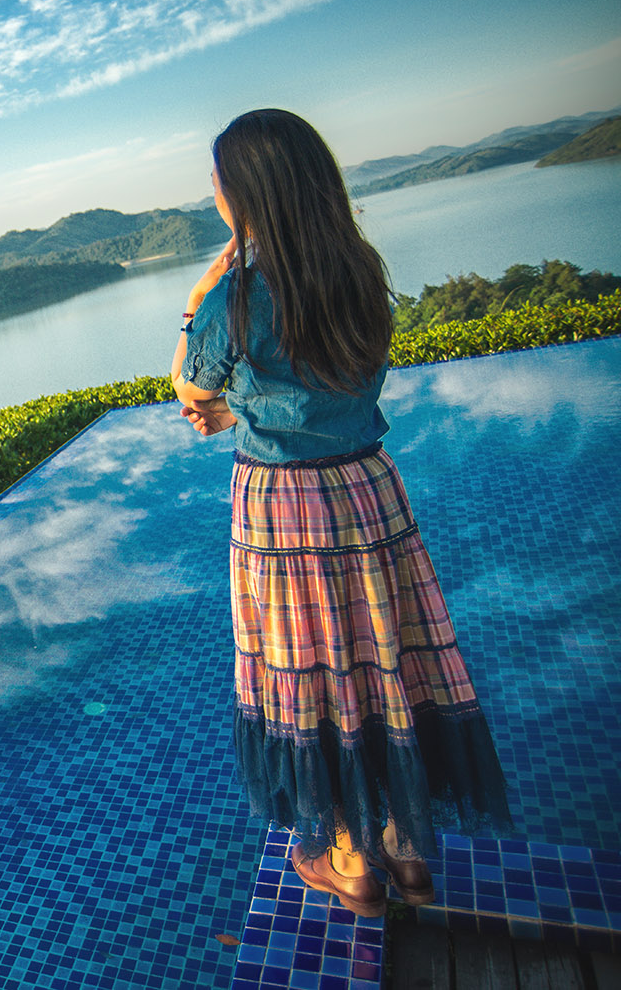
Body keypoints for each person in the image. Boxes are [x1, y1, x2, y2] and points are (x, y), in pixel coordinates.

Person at [169, 109, 514, 917]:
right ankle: (404, 849)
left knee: (314, 675)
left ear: (242, 192)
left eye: (218, 180)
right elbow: (337, 379)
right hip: (367, 489)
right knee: (383, 659)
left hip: (285, 507)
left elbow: (191, 386)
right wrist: (253, 406)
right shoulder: (359, 265)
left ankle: (353, 861)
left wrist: (197, 304)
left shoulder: (236, 294)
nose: (213, 192)